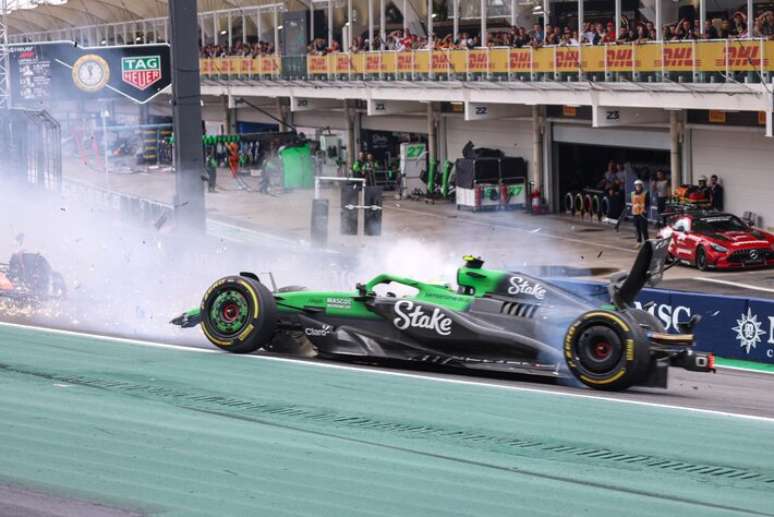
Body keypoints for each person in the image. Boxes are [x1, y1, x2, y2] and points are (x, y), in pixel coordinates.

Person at [631, 179, 650, 245]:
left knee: (644, 228)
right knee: (637, 227)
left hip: (642, 213)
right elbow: (632, 202)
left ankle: (647, 241)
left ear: (642, 186)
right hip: (635, 213)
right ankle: (639, 241)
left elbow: (647, 202)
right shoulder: (632, 193)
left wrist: (645, 209)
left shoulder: (645, 193)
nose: (638, 186)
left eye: (639, 185)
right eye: (636, 185)